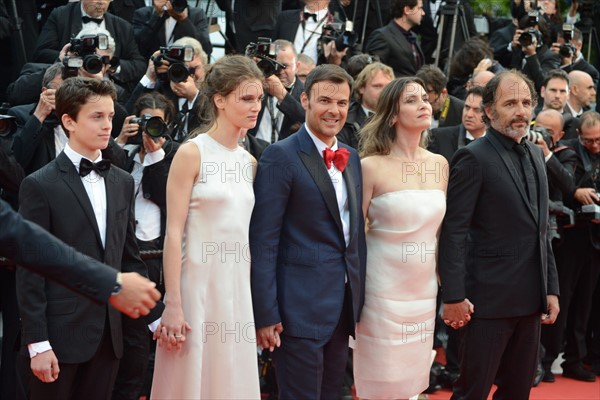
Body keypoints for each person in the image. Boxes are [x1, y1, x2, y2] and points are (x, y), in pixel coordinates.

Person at [15, 77, 152, 400]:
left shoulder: (120, 181)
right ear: (68, 121)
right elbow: (30, 269)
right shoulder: (40, 185)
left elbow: (128, 256)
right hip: (58, 339)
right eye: (96, 116)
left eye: (109, 116)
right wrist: (38, 342)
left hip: (109, 337)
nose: (108, 125)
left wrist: (156, 315)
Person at [438, 70, 560, 399]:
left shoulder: (536, 154)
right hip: (487, 302)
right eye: (510, 103)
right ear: (490, 112)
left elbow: (541, 227)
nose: (520, 110)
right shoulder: (473, 156)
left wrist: (550, 287)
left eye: (525, 102)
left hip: (530, 300)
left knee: (518, 391)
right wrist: (452, 296)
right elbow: (453, 231)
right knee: (472, 391)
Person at [150, 55, 263, 399]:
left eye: (259, 98)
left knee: (230, 379)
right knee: (188, 381)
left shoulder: (250, 162)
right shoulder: (191, 153)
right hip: (195, 288)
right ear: (219, 100)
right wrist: (173, 302)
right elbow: (173, 233)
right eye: (246, 99)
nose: (255, 106)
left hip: (236, 288)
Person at [250, 64, 366, 399]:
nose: (334, 110)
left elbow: (353, 235)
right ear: (304, 100)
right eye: (325, 100)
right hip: (296, 311)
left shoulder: (352, 157)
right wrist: (266, 312)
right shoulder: (280, 155)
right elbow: (263, 240)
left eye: (342, 103)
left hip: (341, 308)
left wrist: (358, 299)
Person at [353, 77, 446, 398]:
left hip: (423, 291)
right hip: (380, 290)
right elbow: (353, 234)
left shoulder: (440, 165)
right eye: (411, 100)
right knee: (382, 376)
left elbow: (443, 232)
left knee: (414, 379)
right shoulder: (370, 167)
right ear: (392, 115)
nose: (424, 104)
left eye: (425, 98)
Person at [32, 0, 146, 90]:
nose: (101, 2)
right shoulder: (60, 16)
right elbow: (41, 53)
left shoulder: (123, 26)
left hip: (109, 89)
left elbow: (139, 65)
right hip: (69, 87)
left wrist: (113, 66)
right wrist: (71, 60)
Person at [248, 39, 305, 143]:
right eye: (274, 64)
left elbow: (309, 121)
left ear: (297, 66)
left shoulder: (307, 92)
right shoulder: (254, 86)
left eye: (285, 66)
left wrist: (282, 95)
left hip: (287, 155)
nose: (279, 71)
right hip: (253, 152)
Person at [337, 61, 394, 149]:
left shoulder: (401, 119)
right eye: (377, 86)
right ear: (361, 88)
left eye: (388, 87)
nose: (384, 92)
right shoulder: (345, 121)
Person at [132, 0, 212, 60]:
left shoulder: (196, 14)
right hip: (154, 69)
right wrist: (157, 15)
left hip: (184, 71)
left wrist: (184, 20)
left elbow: (205, 50)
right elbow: (138, 48)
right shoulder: (143, 14)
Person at [366, 0, 425, 78]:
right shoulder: (382, 36)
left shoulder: (413, 36)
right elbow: (372, 72)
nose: (423, 13)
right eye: (419, 8)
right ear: (407, 10)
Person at [429, 86, 487, 163]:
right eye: (467, 107)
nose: (469, 114)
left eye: (477, 110)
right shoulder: (439, 137)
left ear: (488, 113)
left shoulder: (497, 143)